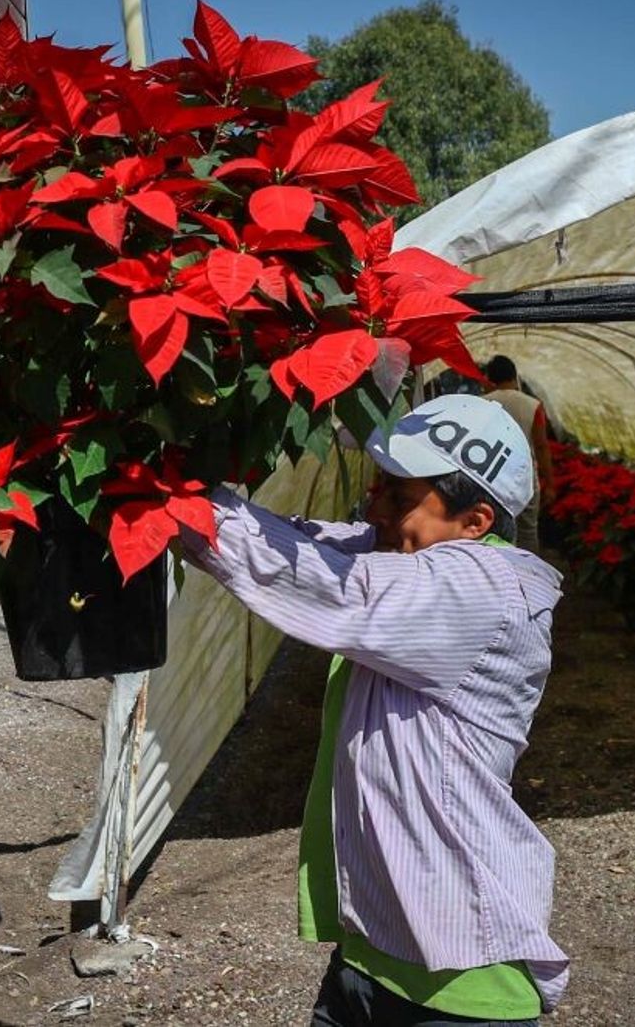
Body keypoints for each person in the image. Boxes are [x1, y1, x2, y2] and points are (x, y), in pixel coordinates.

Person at [181, 395, 568, 1026]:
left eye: (400, 497)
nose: (373, 507)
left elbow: (334, 587)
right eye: (381, 485)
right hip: (369, 958)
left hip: (463, 988)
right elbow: (311, 545)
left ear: (475, 521)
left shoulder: (481, 591)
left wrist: (176, 500)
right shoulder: (405, 554)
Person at [480, 356, 555, 555]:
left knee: (501, 533)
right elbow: (541, 446)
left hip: (493, 475)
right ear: (514, 376)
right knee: (529, 531)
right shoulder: (533, 405)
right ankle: (532, 578)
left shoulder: (482, 404)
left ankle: (504, 578)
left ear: (489, 377)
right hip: (526, 476)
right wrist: (550, 483)